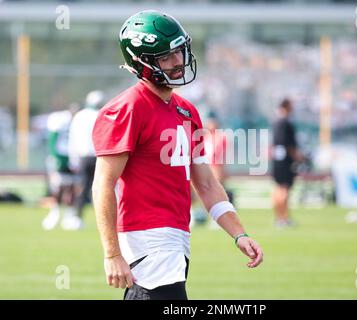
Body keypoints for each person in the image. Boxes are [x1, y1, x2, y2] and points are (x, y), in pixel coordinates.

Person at [91, 10, 263, 300]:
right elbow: (103, 185)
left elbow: (206, 184)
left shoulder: (187, 110)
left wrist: (239, 233)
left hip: (176, 239)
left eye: (179, 52)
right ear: (141, 62)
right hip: (148, 242)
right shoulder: (128, 108)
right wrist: (112, 254)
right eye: (166, 57)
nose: (178, 62)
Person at [67, 90, 105, 230]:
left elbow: (72, 138)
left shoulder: (80, 116)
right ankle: (108, 220)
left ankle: (77, 217)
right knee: (105, 189)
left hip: (84, 156)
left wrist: (73, 158)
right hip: (101, 156)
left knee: (83, 188)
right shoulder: (102, 114)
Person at [42, 103, 79, 230]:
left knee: (72, 187)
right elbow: (53, 141)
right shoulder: (59, 121)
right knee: (58, 187)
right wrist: (56, 158)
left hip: (72, 158)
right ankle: (55, 213)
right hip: (61, 158)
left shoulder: (76, 122)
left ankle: (69, 216)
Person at [271, 98, 304, 228]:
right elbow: (289, 145)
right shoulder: (286, 123)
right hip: (285, 161)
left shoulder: (275, 122)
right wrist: (297, 157)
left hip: (277, 160)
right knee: (284, 189)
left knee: (278, 189)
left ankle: (279, 217)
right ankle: (283, 218)